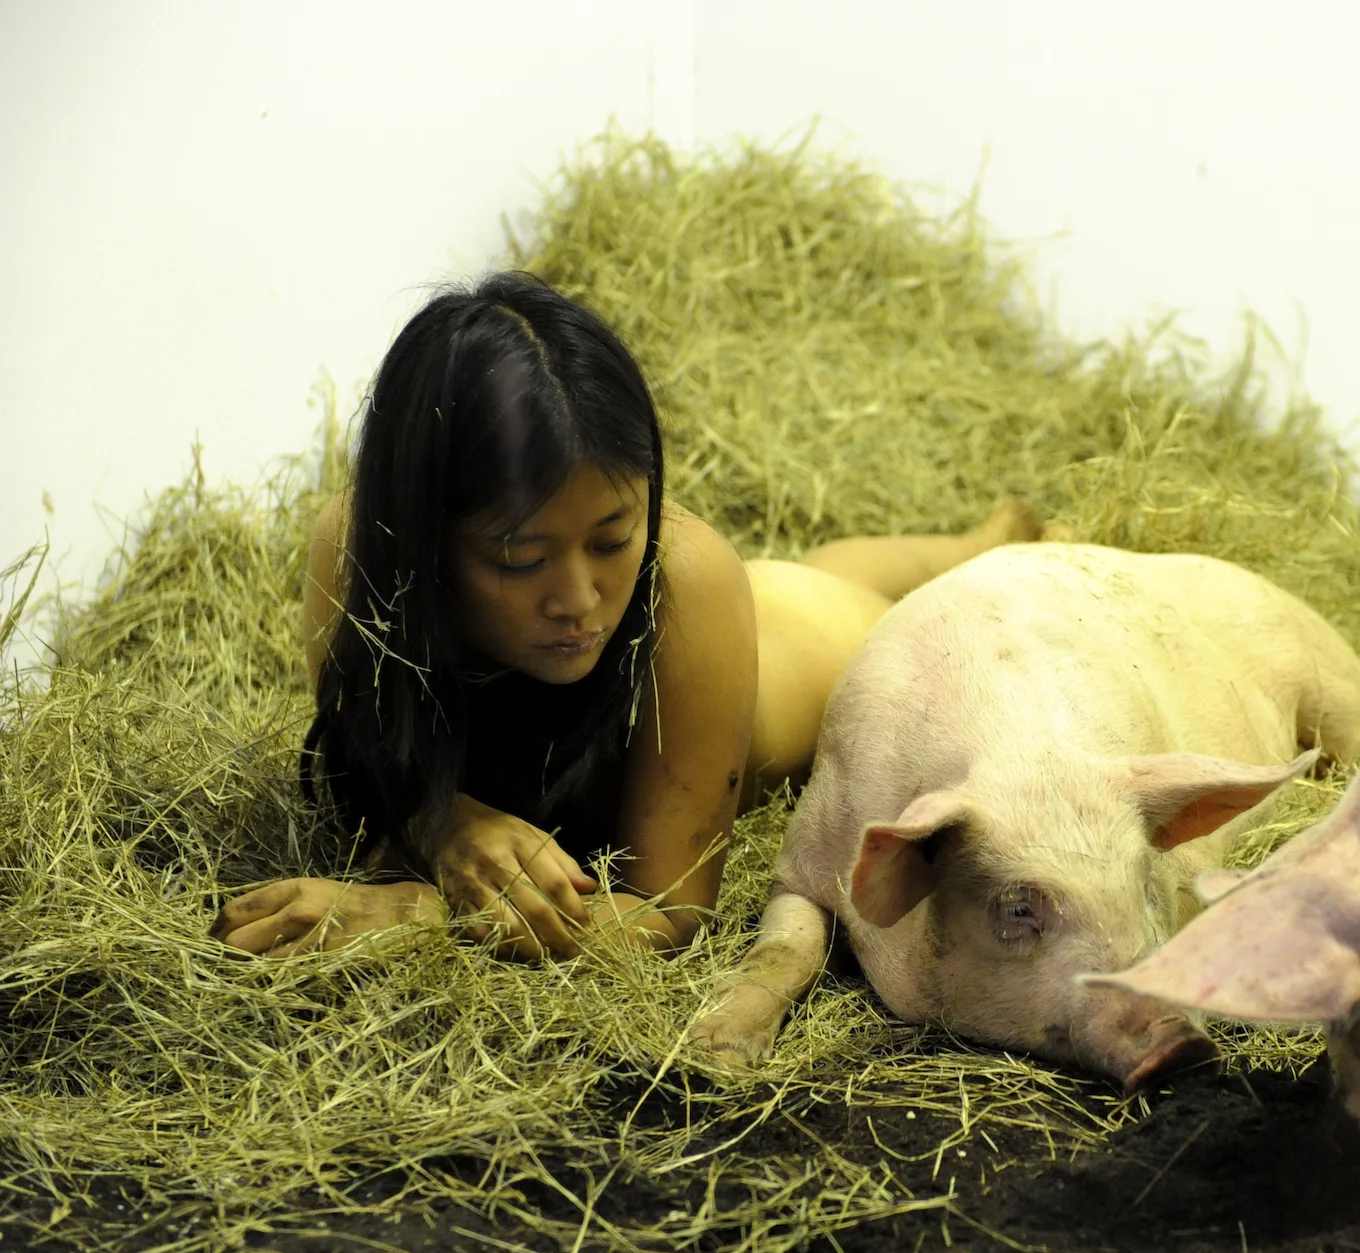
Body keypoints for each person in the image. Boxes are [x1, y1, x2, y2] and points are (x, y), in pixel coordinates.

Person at [213, 272, 1044, 960]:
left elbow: (666, 914)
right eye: (521, 559)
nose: (577, 600)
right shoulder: (361, 550)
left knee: (857, 594)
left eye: (615, 540)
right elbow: (375, 751)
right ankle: (976, 534)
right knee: (802, 573)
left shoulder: (684, 581)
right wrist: (443, 823)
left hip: (807, 649)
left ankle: (1000, 541)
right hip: (763, 601)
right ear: (425, 546)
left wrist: (411, 917)